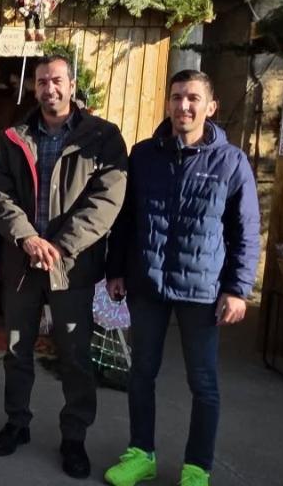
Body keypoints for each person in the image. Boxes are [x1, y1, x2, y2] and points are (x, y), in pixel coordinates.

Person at [102, 70, 261, 486]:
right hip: (147, 284)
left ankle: (196, 468)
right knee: (142, 373)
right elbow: (125, 219)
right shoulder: (143, 155)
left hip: (202, 291)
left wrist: (237, 289)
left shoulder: (231, 162)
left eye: (192, 98)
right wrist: (115, 270)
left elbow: (245, 230)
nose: (183, 106)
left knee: (203, 382)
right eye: (176, 97)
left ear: (211, 107)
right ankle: (141, 454)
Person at [0, 55, 127, 479]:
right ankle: (17, 422)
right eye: (43, 81)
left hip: (74, 268)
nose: (50, 88)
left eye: (57, 80)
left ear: (72, 84)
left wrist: (60, 247)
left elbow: (106, 199)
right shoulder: (14, 137)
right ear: (35, 87)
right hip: (23, 263)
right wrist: (27, 238)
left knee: (75, 356)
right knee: (16, 350)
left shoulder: (102, 137)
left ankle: (74, 437)